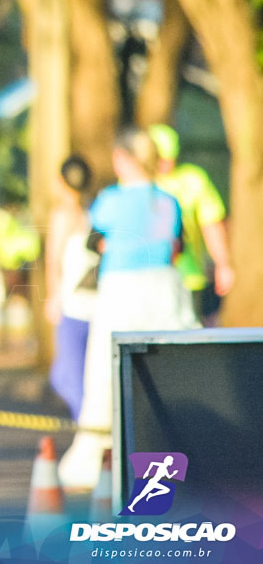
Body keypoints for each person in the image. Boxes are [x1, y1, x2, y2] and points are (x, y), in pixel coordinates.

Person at [59, 127, 198, 490]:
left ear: (123, 158)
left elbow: (94, 243)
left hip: (121, 289)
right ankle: (174, 459)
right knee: (167, 372)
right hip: (166, 289)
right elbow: (178, 246)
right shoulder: (169, 200)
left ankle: (96, 461)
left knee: (105, 373)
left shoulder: (109, 200)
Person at [148, 124, 234, 324]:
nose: (166, 164)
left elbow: (211, 223)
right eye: (161, 158)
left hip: (188, 278)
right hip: (149, 278)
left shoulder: (192, 179)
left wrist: (223, 263)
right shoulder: (137, 183)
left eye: (170, 158)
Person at [44, 155, 98, 421]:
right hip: (95, 302)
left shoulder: (62, 216)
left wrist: (53, 297)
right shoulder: (94, 212)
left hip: (72, 304)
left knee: (69, 377)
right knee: (83, 374)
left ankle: (86, 433)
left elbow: (54, 259)